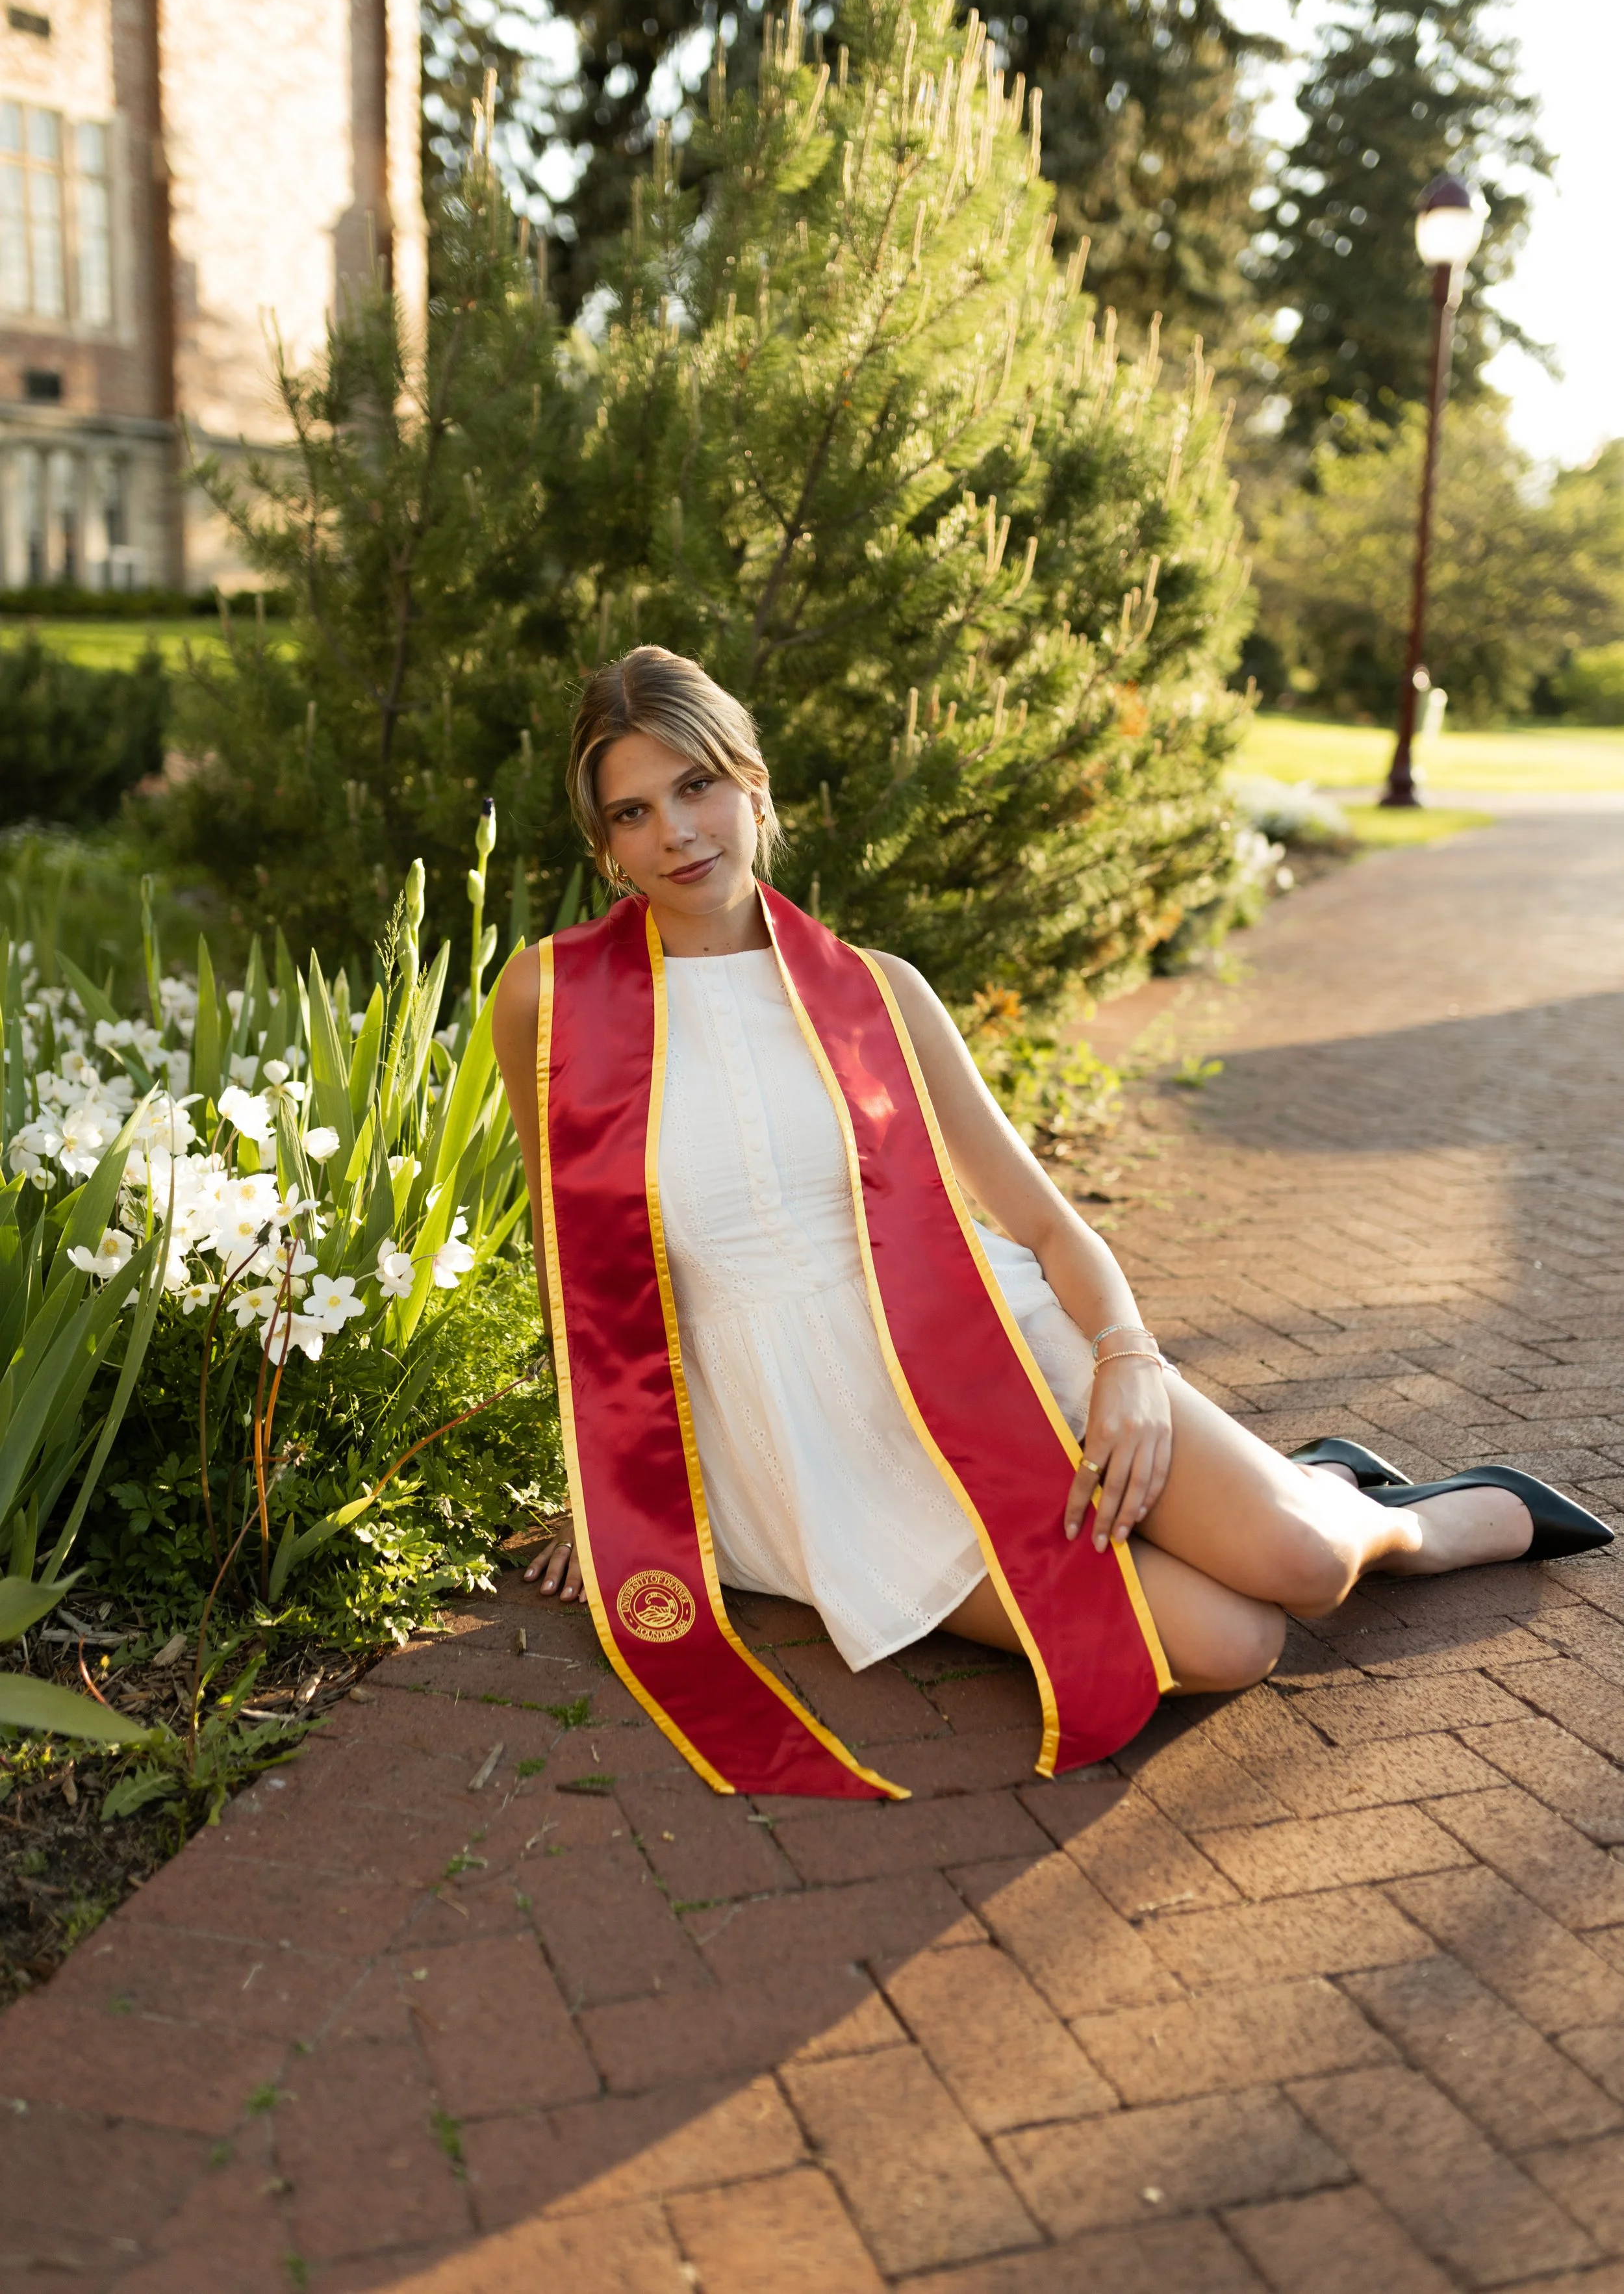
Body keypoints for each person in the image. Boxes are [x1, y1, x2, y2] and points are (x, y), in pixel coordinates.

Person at [492, 648, 1608, 1800]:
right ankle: (1294, 1483)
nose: (677, 832)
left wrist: (1126, 1358)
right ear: (605, 843)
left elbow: (1042, 1220)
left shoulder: (881, 994)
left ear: (754, 784)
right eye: (634, 811)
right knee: (1236, 1643)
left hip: (990, 1353)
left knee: (1306, 1564)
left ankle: (1390, 1516)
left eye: (697, 786)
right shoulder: (549, 1005)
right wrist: (611, 1492)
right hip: (810, 1449)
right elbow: (578, 1272)